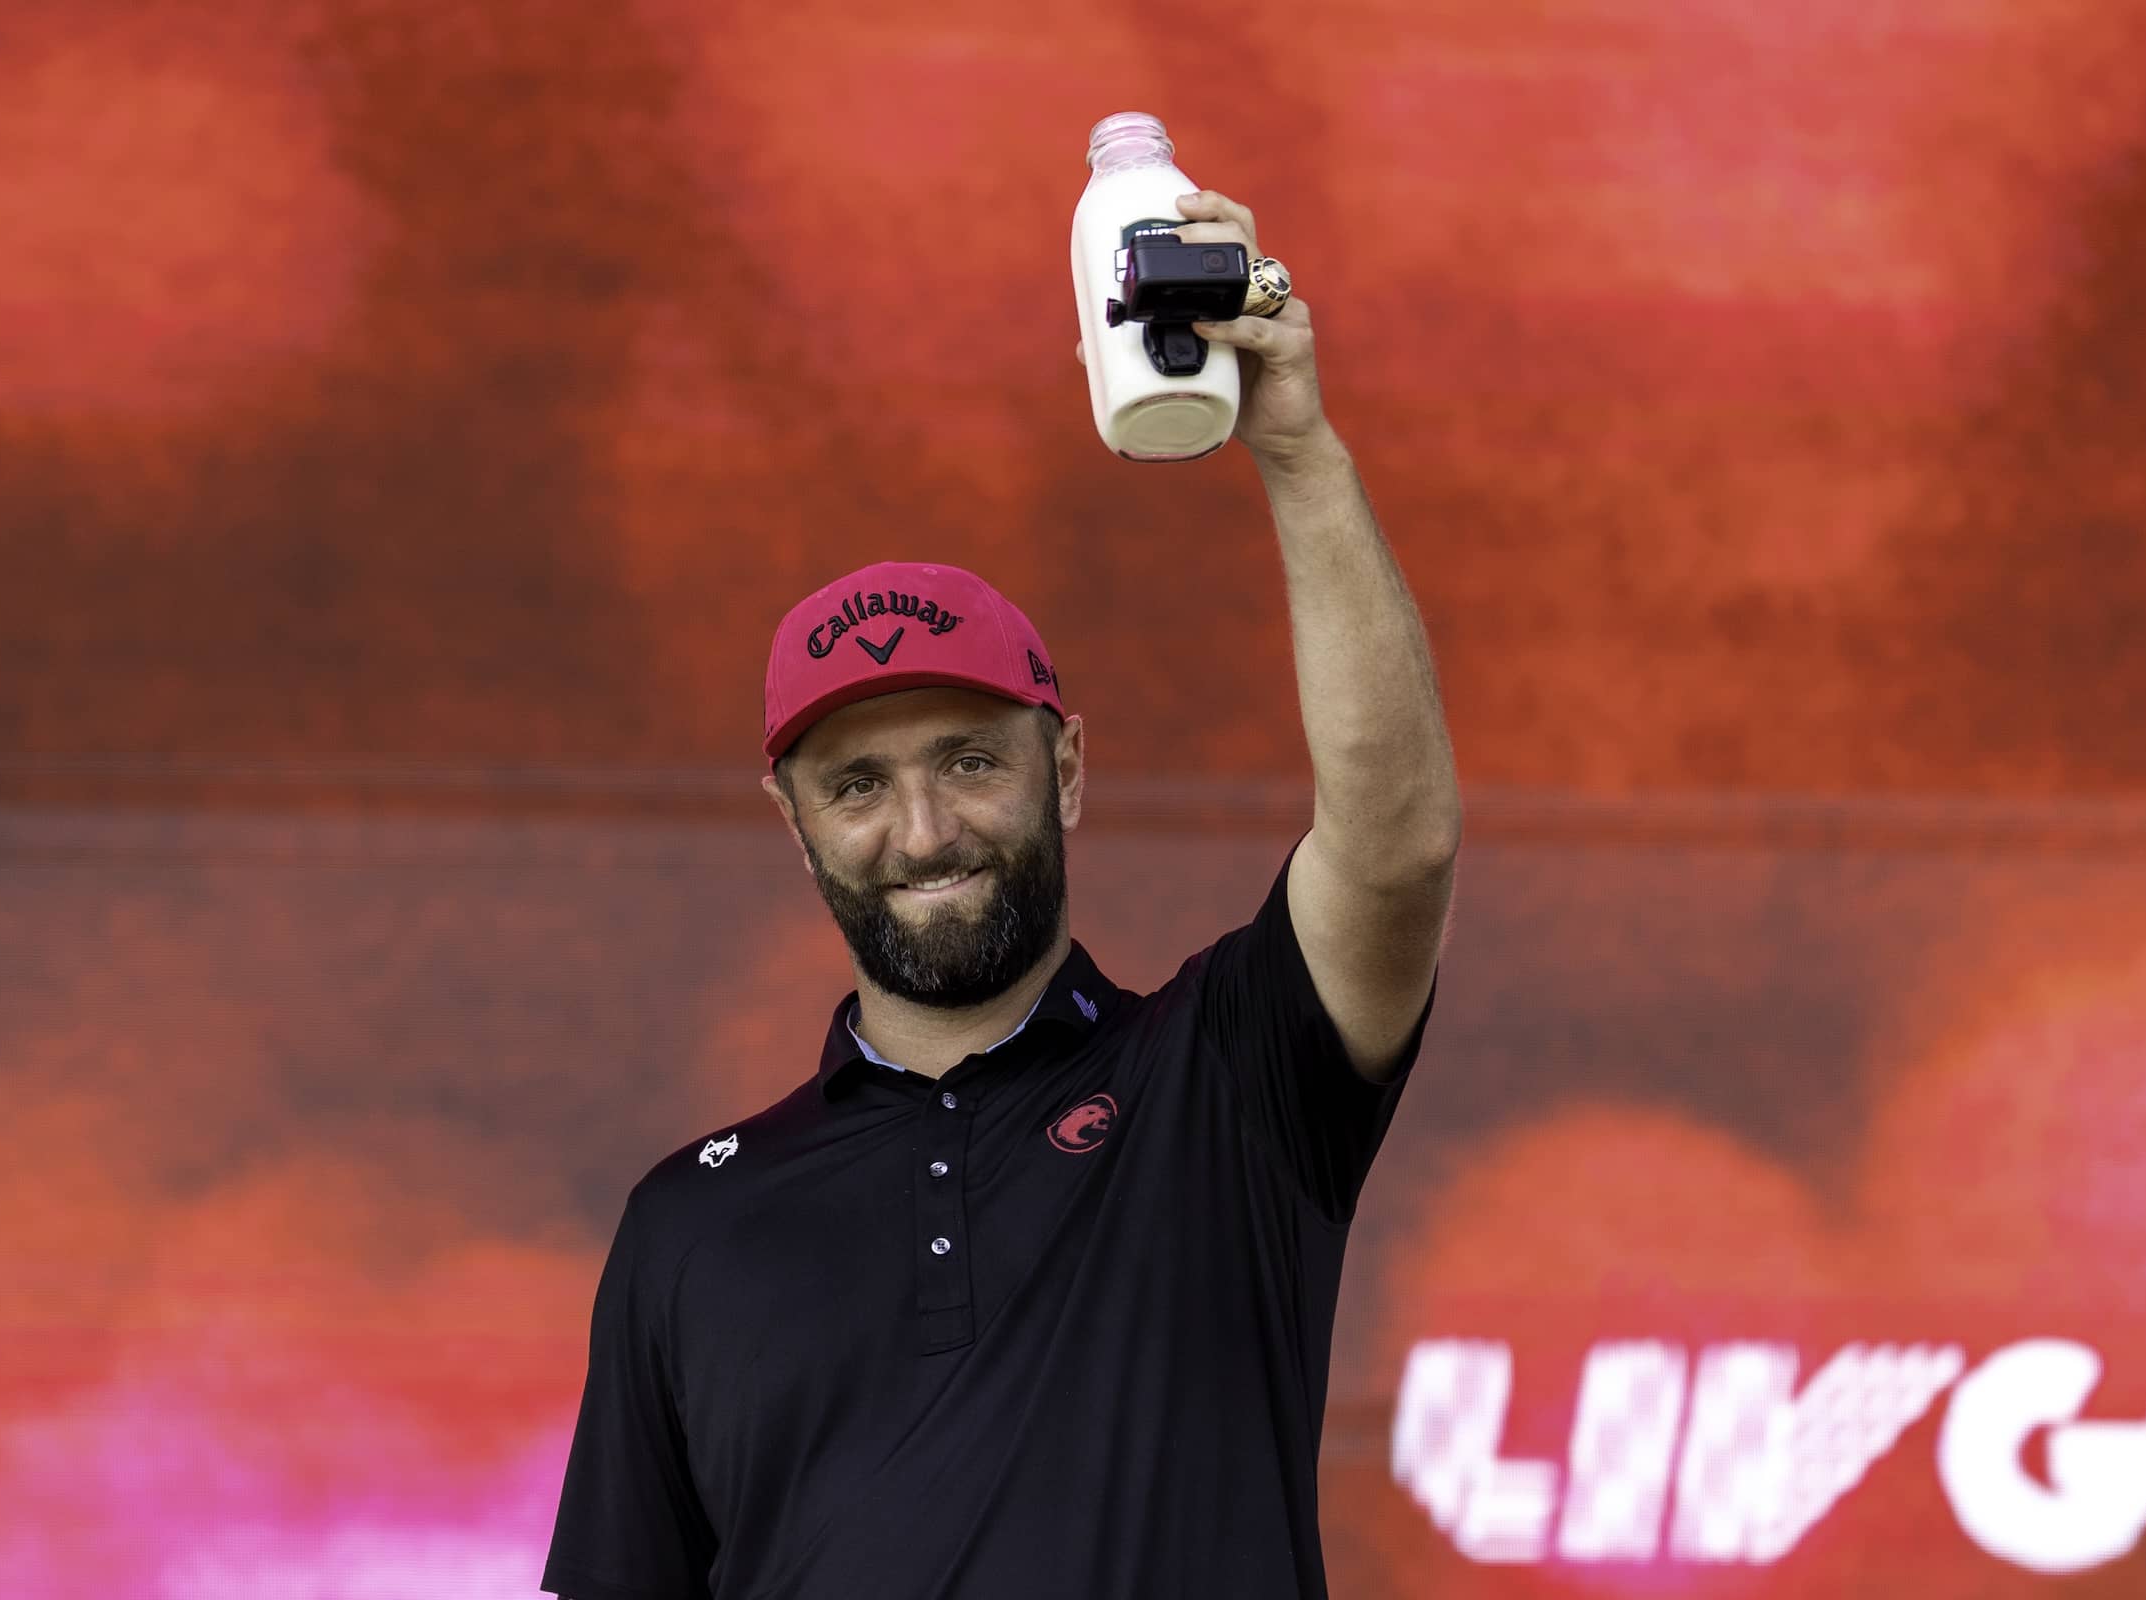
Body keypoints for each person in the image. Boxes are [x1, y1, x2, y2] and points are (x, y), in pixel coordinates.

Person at [541, 189, 1459, 1600]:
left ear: (1067, 769)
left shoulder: (1224, 1082)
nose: (923, 829)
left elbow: (1394, 848)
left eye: (971, 760)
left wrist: (1300, 456)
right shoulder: (689, 1224)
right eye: (857, 786)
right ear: (793, 828)